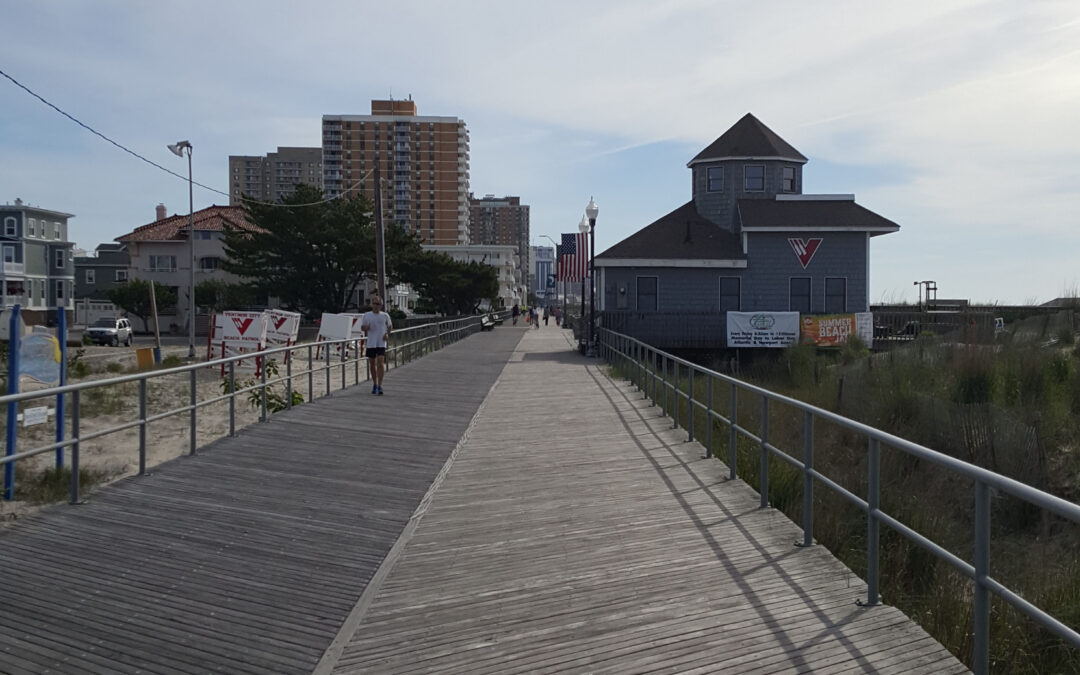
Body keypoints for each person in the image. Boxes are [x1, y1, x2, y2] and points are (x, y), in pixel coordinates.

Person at [360, 296, 392, 395]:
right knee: (372, 364)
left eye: (378, 304)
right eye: (374, 303)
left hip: (381, 342)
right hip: (371, 342)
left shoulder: (385, 315)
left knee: (381, 362)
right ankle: (374, 383)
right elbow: (362, 327)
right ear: (371, 304)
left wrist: (387, 334)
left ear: (381, 305)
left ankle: (380, 385)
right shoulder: (367, 315)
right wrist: (366, 327)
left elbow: (390, 326)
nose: (376, 306)